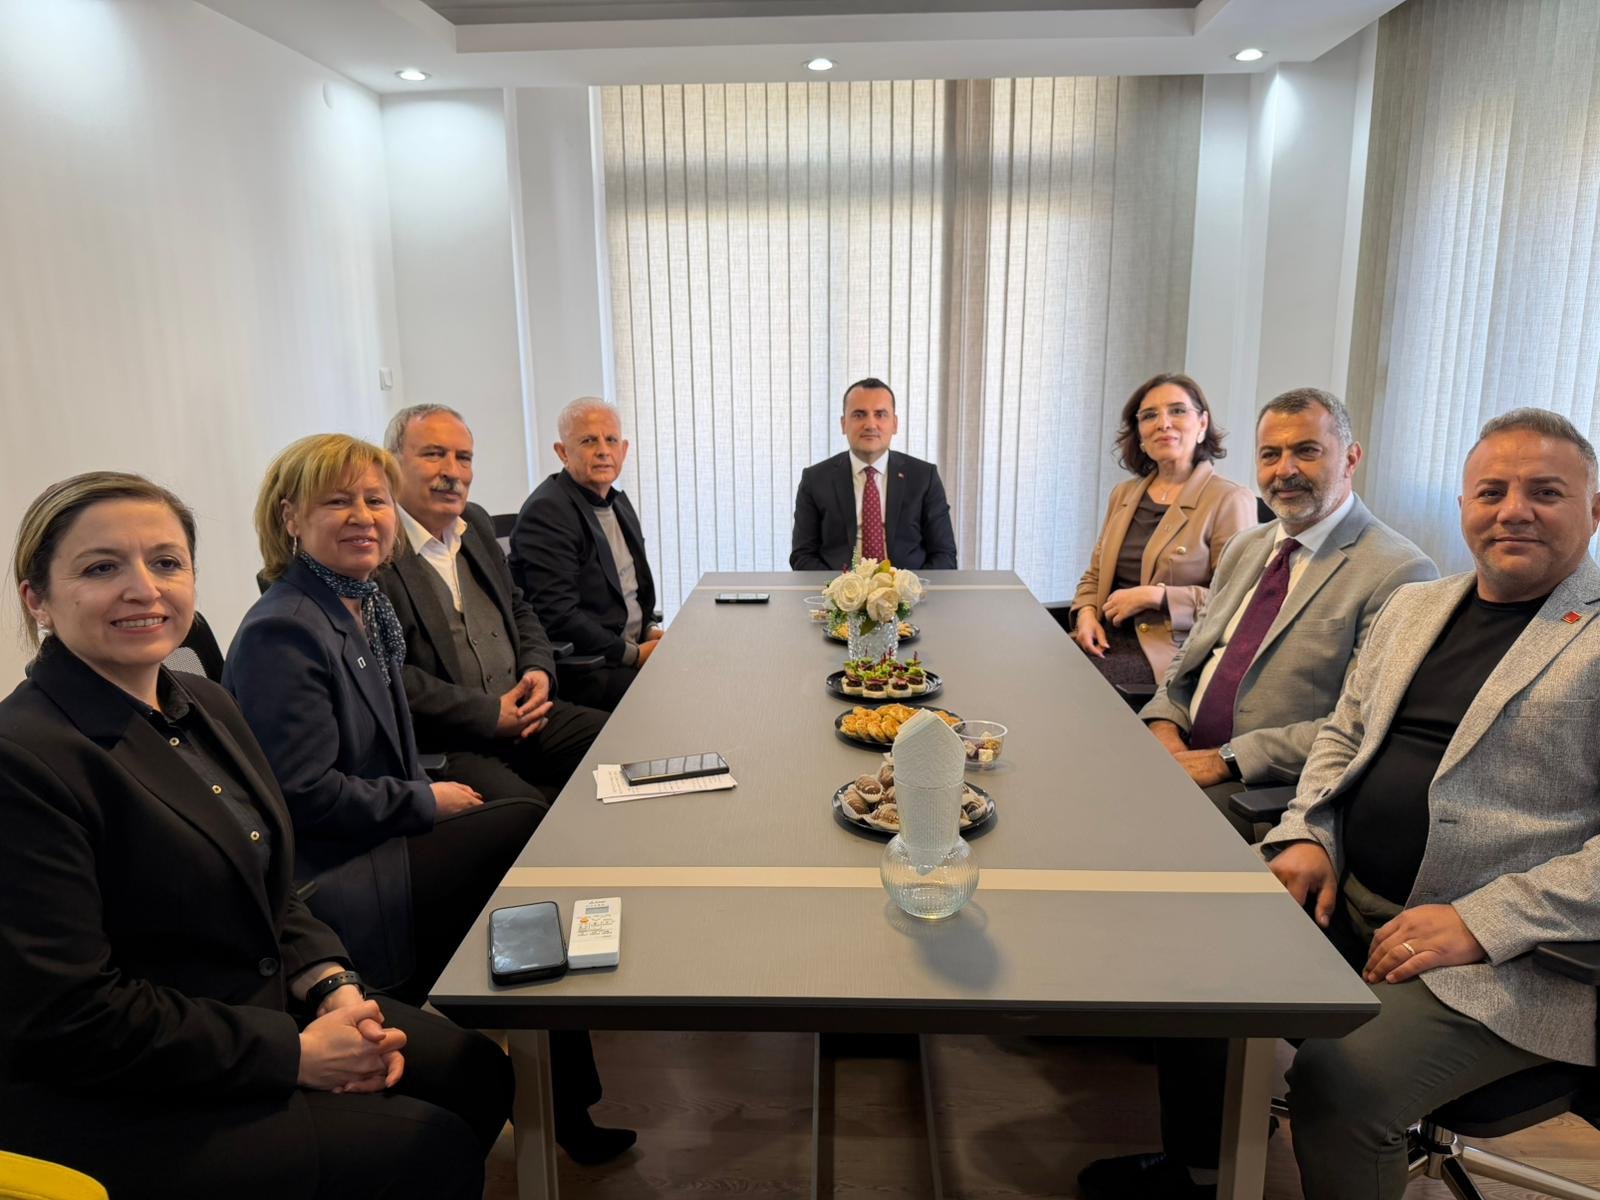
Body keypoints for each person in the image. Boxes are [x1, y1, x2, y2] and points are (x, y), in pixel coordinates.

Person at [1081, 408, 1600, 1200]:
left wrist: (1480, 922)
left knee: (1342, 1081)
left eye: (1546, 492)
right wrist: (1310, 834)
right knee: (1184, 949)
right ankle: (1203, 1173)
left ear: (1593, 508)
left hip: (1509, 957)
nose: (1513, 511)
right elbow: (1342, 737)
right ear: (1464, 505)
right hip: (1345, 895)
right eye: (1491, 491)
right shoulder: (1418, 608)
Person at [0, 471, 510, 1199]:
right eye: (101, 568)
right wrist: (294, 1055)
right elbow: (71, 1018)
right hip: (121, 1085)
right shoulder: (22, 760)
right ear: (37, 599)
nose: (144, 589)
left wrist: (333, 987)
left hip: (253, 1003)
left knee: (475, 1072)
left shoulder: (203, 701)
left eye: (166, 562)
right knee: (425, 1147)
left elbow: (269, 879)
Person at [224, 435, 634, 1165]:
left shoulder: (360, 604)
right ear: (290, 517)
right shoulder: (284, 629)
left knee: (524, 859)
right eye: (338, 502)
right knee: (523, 831)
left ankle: (558, 1092)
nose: (364, 516)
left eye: (375, 500)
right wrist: (423, 800)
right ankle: (560, 1097)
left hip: (380, 834)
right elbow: (302, 795)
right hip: (333, 874)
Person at [1137, 388, 1436, 834]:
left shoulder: (1399, 571)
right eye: (1270, 455)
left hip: (1265, 789)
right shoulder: (1246, 547)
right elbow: (1190, 658)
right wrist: (1164, 725)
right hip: (1185, 755)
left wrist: (1224, 760)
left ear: (1351, 459)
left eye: (1307, 451)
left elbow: (1362, 722)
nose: (1285, 470)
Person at [378, 403, 607, 805]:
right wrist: (487, 714)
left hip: (527, 715)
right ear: (392, 463)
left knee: (622, 745)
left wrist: (539, 669)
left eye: (463, 458)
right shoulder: (375, 549)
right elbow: (389, 673)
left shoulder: (476, 524)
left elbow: (520, 609)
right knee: (528, 814)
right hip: (452, 739)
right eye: (434, 454)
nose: (452, 472)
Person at [1069, 373, 1257, 688]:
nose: (1163, 423)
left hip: (1170, 651)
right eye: (1149, 416)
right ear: (1140, 434)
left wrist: (1157, 596)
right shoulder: (1124, 494)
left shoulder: (1229, 499)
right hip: (1105, 636)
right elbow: (1095, 574)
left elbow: (1239, 599)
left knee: (1075, 687)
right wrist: (1086, 614)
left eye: (1178, 411)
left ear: (1202, 424)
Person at [509, 397, 661, 712]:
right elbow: (558, 616)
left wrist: (649, 630)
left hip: (627, 650)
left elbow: (632, 591)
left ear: (624, 450)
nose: (603, 450)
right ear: (562, 452)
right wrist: (635, 654)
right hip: (590, 668)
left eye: (611, 440)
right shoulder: (547, 511)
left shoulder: (618, 503)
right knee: (684, 692)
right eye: (589, 441)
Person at [790, 377, 959, 572]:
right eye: (859, 415)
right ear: (843, 424)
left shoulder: (924, 477)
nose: (870, 424)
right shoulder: (815, 480)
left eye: (880, 414)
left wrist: (910, 587)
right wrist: (839, 587)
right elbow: (802, 556)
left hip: (908, 588)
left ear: (894, 424)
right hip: (839, 588)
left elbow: (944, 555)